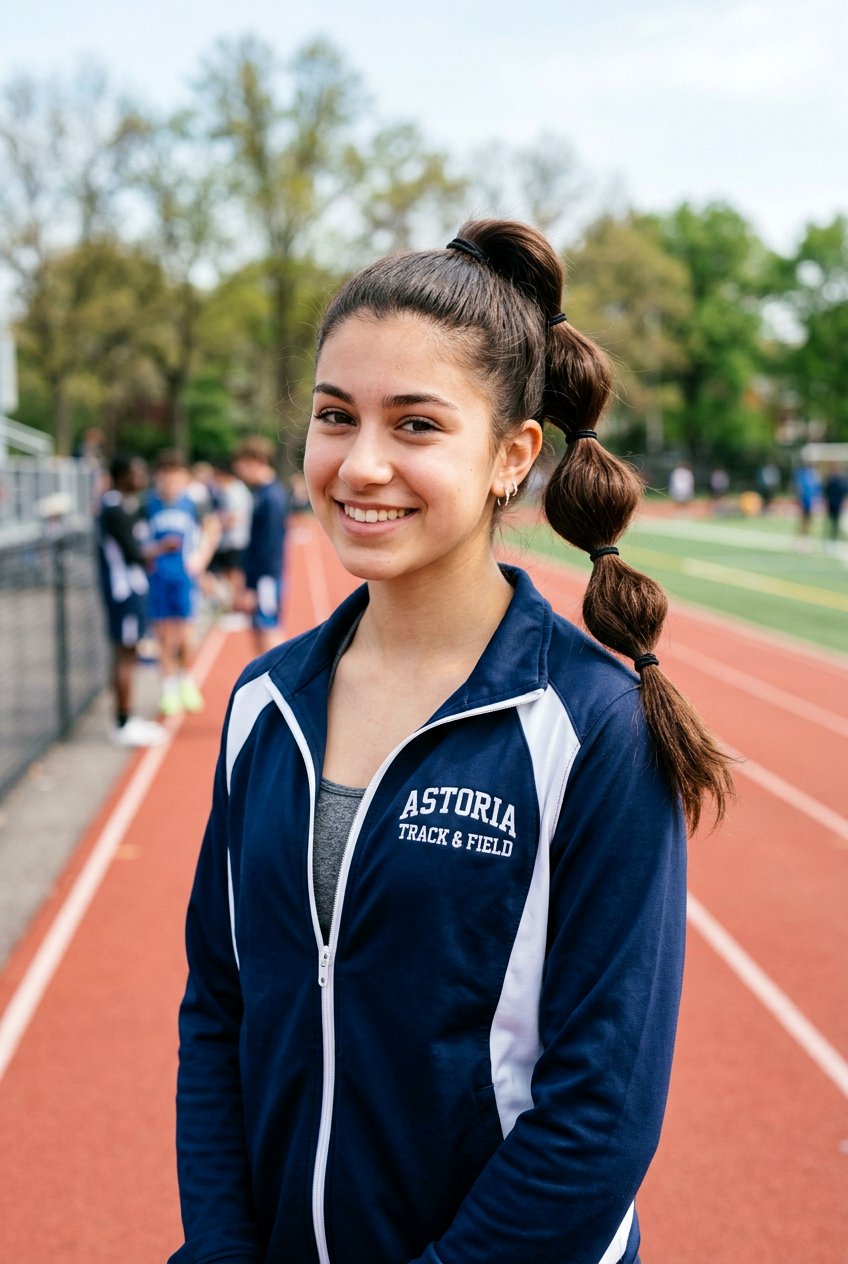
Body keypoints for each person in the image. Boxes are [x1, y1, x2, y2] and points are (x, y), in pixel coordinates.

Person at [170, 221, 733, 1264]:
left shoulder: (593, 727)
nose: (361, 463)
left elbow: (598, 1113)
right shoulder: (263, 703)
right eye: (334, 416)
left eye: (416, 424)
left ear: (511, 456)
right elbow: (218, 1008)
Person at [97, 455, 166, 747]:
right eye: (136, 473)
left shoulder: (125, 505)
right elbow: (134, 554)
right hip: (124, 592)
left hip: (130, 590)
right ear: (122, 475)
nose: (141, 477)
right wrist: (162, 547)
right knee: (125, 654)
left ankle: (126, 717)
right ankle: (123, 723)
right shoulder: (114, 509)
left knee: (130, 653)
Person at [146, 450, 218, 717]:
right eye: (165, 476)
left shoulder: (193, 503)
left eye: (175, 477)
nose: (170, 482)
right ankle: (168, 689)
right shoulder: (148, 503)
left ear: (185, 479)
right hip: (157, 579)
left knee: (186, 636)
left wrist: (201, 559)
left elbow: (213, 528)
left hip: (185, 578)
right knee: (164, 637)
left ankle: (186, 680)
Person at [232, 436, 289, 653]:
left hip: (267, 579)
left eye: (242, 464)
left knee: (268, 627)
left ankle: (277, 673)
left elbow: (269, 547)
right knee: (260, 627)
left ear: (256, 461)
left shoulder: (271, 497)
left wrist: (254, 587)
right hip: (263, 577)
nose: (239, 471)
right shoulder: (262, 494)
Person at [822, 465, 848, 544]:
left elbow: (844, 491)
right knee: (829, 521)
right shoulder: (830, 480)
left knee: (836, 522)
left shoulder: (841, 481)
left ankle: (834, 538)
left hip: (837, 504)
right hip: (831, 504)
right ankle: (828, 537)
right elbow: (826, 491)